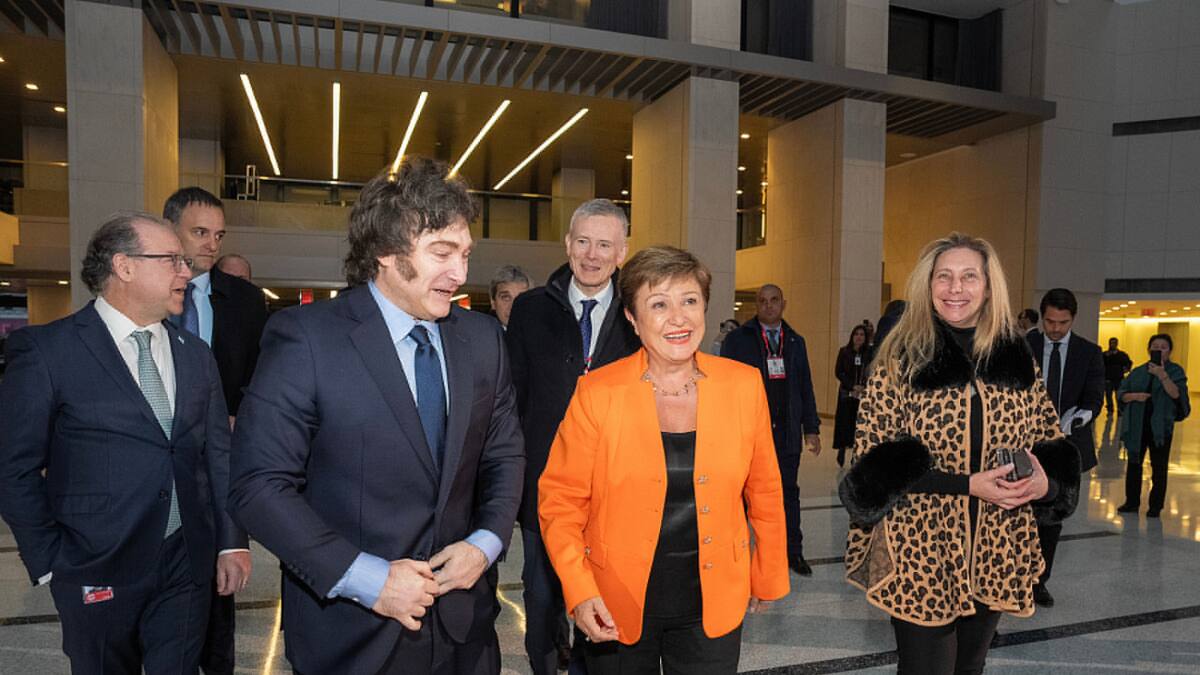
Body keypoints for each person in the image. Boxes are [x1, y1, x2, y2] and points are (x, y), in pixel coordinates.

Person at [228, 158, 525, 674]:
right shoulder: (308, 339)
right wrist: (370, 580)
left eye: (465, 254)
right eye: (442, 253)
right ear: (386, 251)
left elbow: (504, 453)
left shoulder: (483, 341)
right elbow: (258, 485)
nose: (460, 274)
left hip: (465, 632)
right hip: (351, 634)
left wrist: (485, 542)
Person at [0, 212, 249, 673]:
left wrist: (231, 542)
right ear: (124, 266)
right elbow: (13, 468)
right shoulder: (48, 352)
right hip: (94, 563)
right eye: (171, 260)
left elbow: (218, 454)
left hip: (186, 564)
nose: (186, 271)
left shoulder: (194, 355)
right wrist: (51, 560)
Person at [539, 246, 790, 674]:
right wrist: (579, 591)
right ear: (633, 320)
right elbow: (560, 502)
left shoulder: (743, 386)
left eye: (690, 300)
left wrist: (767, 572)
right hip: (614, 602)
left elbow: (764, 488)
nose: (679, 318)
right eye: (659, 304)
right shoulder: (598, 393)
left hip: (713, 601)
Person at [838, 233, 1080, 675]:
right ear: (927, 285)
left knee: (970, 667)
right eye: (944, 276)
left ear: (989, 287)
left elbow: (1050, 439)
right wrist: (967, 485)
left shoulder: (1016, 358)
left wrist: (1048, 483)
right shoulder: (901, 358)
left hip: (995, 544)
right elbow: (871, 465)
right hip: (920, 544)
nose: (956, 288)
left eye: (970, 276)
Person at [505, 198, 640, 674]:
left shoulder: (638, 314)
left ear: (622, 252)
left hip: (614, 489)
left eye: (605, 244)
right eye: (583, 241)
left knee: (597, 596)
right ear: (567, 244)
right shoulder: (529, 310)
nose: (592, 254)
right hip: (545, 486)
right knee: (542, 596)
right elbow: (511, 400)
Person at [162, 186, 265, 674]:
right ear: (171, 231)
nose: (210, 244)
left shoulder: (245, 301)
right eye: (199, 232)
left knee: (217, 598)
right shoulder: (148, 294)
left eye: (218, 235)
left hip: (221, 459)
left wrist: (239, 411)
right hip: (156, 464)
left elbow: (261, 371)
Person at [720, 283, 820, 576]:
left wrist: (811, 428)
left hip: (787, 434)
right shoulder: (738, 341)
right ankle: (737, 556)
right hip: (750, 435)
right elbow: (724, 387)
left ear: (783, 304)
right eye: (762, 301)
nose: (768, 306)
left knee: (788, 494)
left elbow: (805, 387)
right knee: (741, 498)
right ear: (757, 306)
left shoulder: (795, 341)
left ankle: (793, 553)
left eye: (774, 300)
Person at [1025, 288, 1104, 609]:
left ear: (1073, 319)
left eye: (1062, 322)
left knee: (1051, 520)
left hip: (1065, 447)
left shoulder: (1089, 352)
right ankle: (1011, 578)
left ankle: (1039, 582)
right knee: (1017, 515)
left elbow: (1094, 398)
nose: (1055, 328)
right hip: (1025, 443)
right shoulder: (1024, 346)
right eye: (1049, 321)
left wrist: (1078, 417)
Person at [1116, 334, 1190, 518]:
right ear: (1149, 349)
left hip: (1160, 427)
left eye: (1163, 347)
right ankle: (1131, 502)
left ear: (1169, 351)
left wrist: (1162, 375)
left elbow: (1177, 395)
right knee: (1134, 464)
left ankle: (1155, 506)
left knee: (1159, 467)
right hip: (1137, 426)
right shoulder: (1139, 371)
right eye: (1155, 346)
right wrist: (1135, 397)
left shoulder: (1175, 371)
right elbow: (1122, 393)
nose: (1158, 350)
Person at [833, 325, 870, 467]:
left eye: (862, 334)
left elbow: (871, 371)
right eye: (856, 334)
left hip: (862, 395)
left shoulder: (868, 354)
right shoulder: (844, 352)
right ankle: (842, 449)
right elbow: (839, 372)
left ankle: (856, 454)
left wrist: (862, 387)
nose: (859, 337)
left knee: (858, 425)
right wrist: (852, 386)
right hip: (846, 393)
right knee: (844, 423)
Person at [488, 264, 532, 329]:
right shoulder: (480, 337)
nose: (513, 307)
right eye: (506, 298)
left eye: (521, 299)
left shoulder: (544, 337)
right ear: (493, 303)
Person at [1103, 337, 1133, 415]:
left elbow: (1129, 362)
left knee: (1119, 395)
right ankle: (1110, 410)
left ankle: (1120, 409)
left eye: (1114, 343)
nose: (1112, 345)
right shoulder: (1105, 355)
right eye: (1111, 343)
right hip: (1108, 378)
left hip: (1118, 378)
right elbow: (1101, 364)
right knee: (1108, 395)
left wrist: (1126, 369)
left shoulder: (1122, 355)